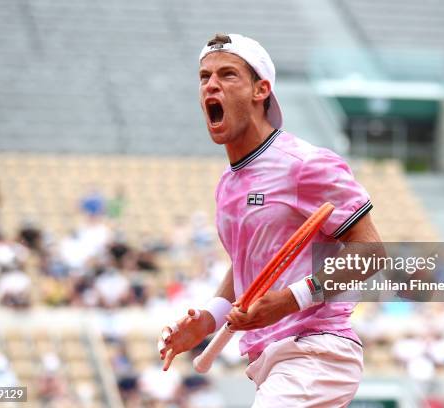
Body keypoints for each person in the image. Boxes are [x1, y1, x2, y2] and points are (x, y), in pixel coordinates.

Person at [159, 33, 383, 406]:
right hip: (270, 361)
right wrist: (208, 320)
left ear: (261, 90)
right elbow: (250, 266)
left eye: (228, 75)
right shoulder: (227, 185)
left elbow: (372, 252)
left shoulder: (305, 164)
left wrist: (289, 300)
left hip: (317, 352)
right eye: (204, 77)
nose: (211, 84)